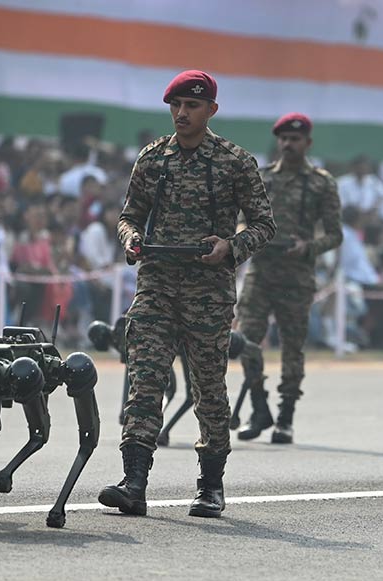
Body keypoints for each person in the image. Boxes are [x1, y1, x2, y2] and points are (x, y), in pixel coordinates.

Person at [98, 69, 275, 518]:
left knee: (208, 389)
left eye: (191, 106)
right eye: (175, 105)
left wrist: (230, 247)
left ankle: (210, 486)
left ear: (211, 110)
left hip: (208, 292)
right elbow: (128, 215)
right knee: (145, 381)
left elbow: (263, 224)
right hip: (156, 285)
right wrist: (130, 240)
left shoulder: (234, 161)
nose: (181, 113)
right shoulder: (153, 158)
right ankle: (134, 482)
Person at [236, 113, 342, 444]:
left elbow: (335, 235)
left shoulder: (321, 183)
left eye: (294, 139)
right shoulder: (263, 179)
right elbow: (241, 221)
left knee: (292, 348)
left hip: (297, 275)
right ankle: (259, 406)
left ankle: (285, 417)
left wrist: (309, 246)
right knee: (245, 340)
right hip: (261, 272)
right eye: (283, 138)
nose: (288, 144)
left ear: (307, 143)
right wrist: (249, 237)